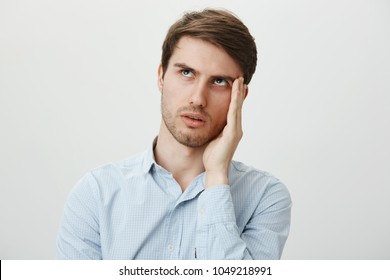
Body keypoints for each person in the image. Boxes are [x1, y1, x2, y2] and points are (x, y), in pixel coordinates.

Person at [56, 8, 292, 260]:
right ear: (161, 76)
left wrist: (215, 178)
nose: (198, 99)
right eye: (186, 73)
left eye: (219, 81)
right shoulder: (96, 194)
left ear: (240, 96)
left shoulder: (265, 197)